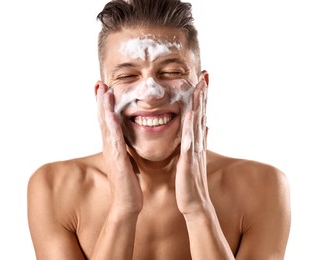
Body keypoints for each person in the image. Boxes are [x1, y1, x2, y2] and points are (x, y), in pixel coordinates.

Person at [27, 0, 291, 259]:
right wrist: (123, 209)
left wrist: (198, 209)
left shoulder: (262, 187)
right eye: (127, 76)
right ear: (102, 94)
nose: (151, 94)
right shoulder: (55, 188)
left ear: (203, 87)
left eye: (172, 71)